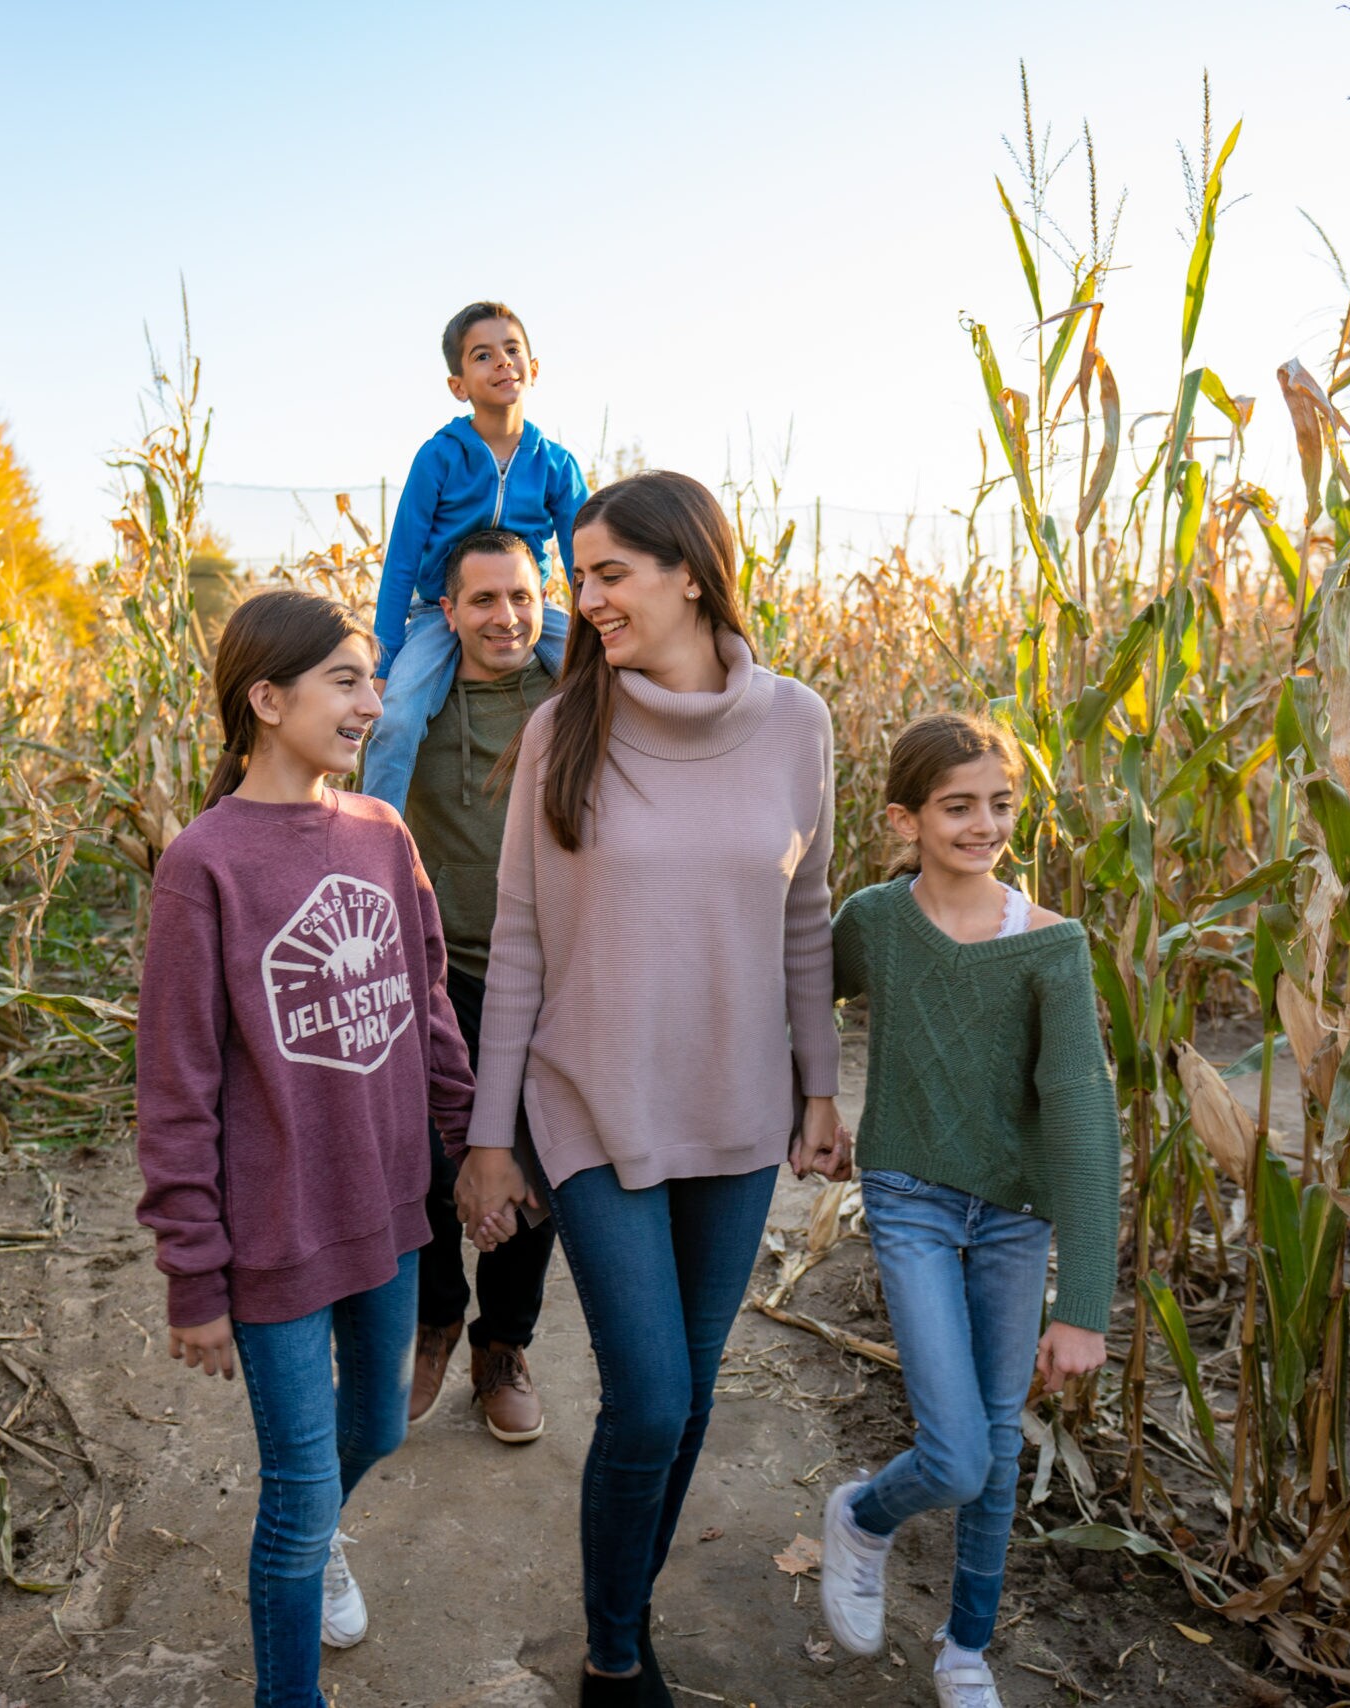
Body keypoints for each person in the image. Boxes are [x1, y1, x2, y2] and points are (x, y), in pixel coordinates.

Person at [457, 471, 851, 1707]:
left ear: (690, 568)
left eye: (609, 572)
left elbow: (805, 914)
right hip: (590, 1099)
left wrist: (821, 1087)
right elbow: (517, 938)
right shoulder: (561, 729)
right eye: (581, 576)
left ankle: (622, 1619)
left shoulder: (798, 724)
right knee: (653, 1394)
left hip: (736, 1111)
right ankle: (613, 1657)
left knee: (687, 1401)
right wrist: (488, 1139)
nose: (588, 598)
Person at [134, 589, 474, 1708]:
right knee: (292, 1495)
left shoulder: (380, 834)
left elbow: (426, 1003)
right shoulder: (206, 864)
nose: (373, 703)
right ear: (265, 699)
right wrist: (194, 1272)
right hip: (276, 1227)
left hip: (387, 1205)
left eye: (374, 680)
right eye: (346, 680)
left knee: (376, 1421)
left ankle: (327, 1522)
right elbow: (175, 1087)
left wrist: (468, 1143)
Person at [813, 712, 1122, 1708]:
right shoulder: (872, 921)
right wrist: (806, 1105)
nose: (983, 823)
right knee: (956, 1451)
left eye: (998, 803)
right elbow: (799, 997)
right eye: (957, 806)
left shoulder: (1050, 946)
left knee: (993, 1437)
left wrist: (1082, 1302)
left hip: (1011, 1213)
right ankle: (864, 1515)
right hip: (906, 1194)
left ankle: (964, 1648)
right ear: (904, 818)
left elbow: (1081, 1119)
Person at [400, 527, 561, 1443]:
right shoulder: (409, 705)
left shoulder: (577, 694)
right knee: (423, 1163)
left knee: (533, 1172)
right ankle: (436, 1316)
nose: (505, 617)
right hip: (438, 971)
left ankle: (505, 1343)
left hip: (544, 974)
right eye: (485, 600)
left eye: (522, 597)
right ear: (450, 610)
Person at [360, 300, 589, 811]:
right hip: (438, 613)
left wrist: (597, 635)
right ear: (458, 385)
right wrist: (386, 658)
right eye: (483, 355)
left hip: (531, 611)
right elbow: (402, 559)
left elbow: (583, 561)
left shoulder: (555, 464)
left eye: (512, 350)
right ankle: (374, 838)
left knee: (606, 685)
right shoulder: (439, 456)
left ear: (533, 367)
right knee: (395, 719)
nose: (502, 362)